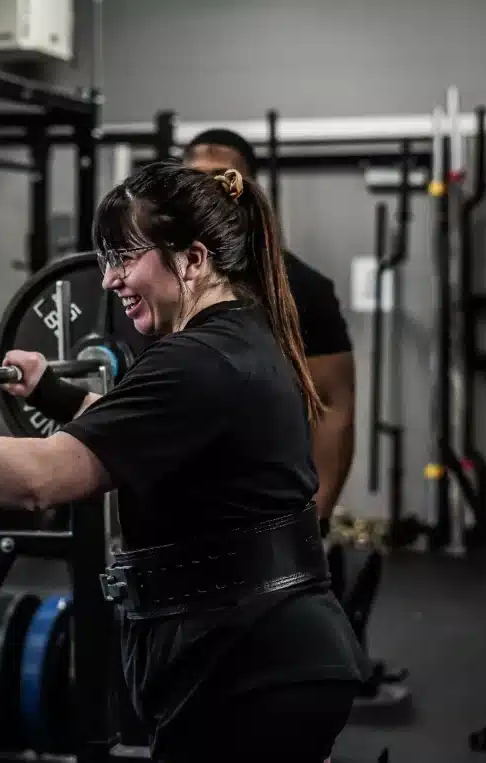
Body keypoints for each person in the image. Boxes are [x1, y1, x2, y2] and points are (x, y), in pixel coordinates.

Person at [0, 161, 370, 761]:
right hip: (267, 647)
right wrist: (56, 393)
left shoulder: (193, 360)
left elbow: (35, 481)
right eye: (105, 260)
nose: (108, 279)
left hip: (249, 664)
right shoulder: (240, 338)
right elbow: (149, 428)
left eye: (125, 257)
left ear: (194, 259)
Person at [183, 129, 356, 529]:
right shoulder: (156, 281)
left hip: (267, 507)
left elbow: (331, 405)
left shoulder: (301, 288)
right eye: (196, 180)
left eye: (222, 178)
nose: (208, 192)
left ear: (245, 189)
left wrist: (317, 514)